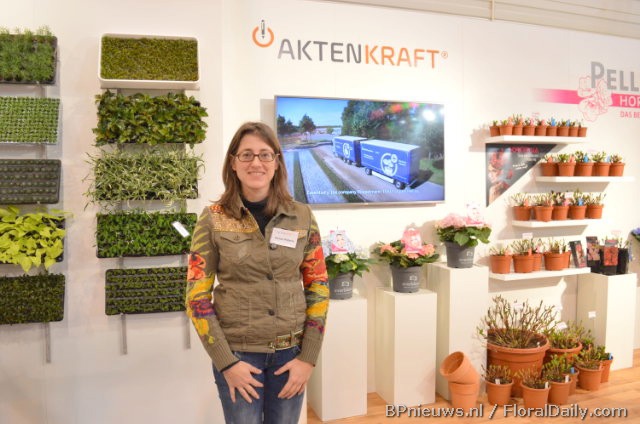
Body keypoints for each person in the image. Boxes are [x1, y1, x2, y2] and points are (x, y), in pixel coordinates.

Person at [186, 122, 329, 424]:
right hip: (239, 356)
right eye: (246, 154)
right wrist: (226, 363)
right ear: (233, 163)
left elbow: (318, 285)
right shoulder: (213, 219)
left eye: (265, 154)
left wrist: (308, 358)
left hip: (290, 354)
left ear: (276, 162)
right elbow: (196, 298)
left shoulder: (301, 215)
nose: (256, 163)